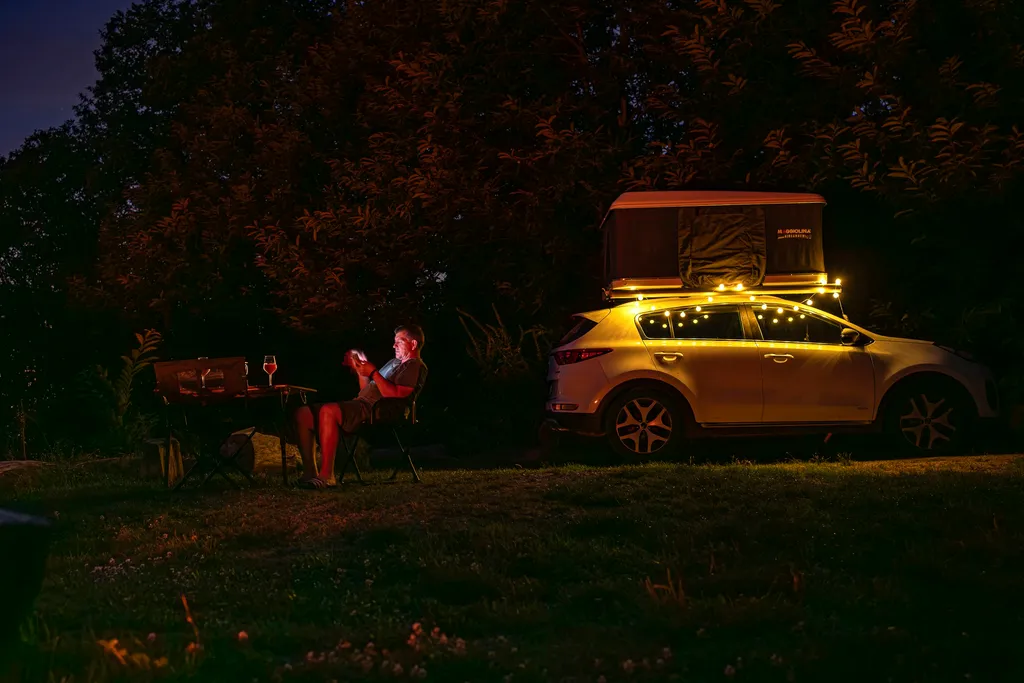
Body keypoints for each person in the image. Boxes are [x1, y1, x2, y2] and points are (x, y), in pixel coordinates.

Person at [293, 324, 428, 489]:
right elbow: (366, 390)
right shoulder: (393, 363)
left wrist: (373, 372)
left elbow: (397, 393)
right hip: (362, 405)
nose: (394, 345)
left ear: (413, 344)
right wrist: (359, 369)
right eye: (394, 342)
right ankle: (310, 473)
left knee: (328, 411)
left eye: (399, 341)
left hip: (378, 411)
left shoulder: (413, 365)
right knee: (303, 413)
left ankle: (327, 476)